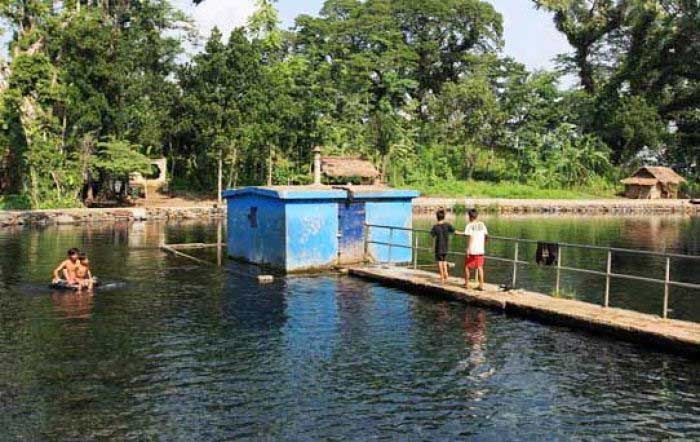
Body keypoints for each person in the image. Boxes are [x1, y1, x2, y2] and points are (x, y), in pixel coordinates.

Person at [464, 209, 488, 290]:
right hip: (480, 249)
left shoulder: (469, 225)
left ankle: (466, 284)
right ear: (477, 216)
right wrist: (483, 244)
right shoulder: (482, 224)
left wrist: (468, 249)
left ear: (470, 217)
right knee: (480, 267)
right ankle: (481, 285)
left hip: (472, 250)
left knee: (467, 267)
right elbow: (486, 235)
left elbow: (470, 237)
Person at [430, 208, 455, 284]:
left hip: (439, 248)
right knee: (444, 260)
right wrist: (464, 233)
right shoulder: (447, 225)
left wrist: (432, 247)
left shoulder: (435, 227)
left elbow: (432, 236)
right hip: (446, 247)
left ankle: (442, 277)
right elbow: (454, 231)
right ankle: (446, 273)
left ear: (436, 217)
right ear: (444, 217)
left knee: (440, 262)